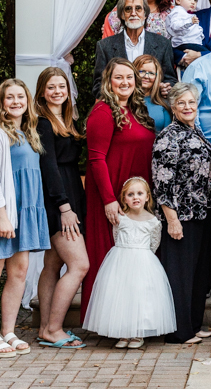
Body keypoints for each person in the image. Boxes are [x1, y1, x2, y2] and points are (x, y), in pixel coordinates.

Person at [0, 79, 50, 358]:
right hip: (3, 213)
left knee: (18, 272)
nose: (16, 102)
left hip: (25, 211)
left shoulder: (29, 132)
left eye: (20, 97)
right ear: (1, 103)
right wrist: (2, 217)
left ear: (27, 101)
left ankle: (9, 331)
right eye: (9, 97)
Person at [81, 58, 156, 320]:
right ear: (108, 82)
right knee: (110, 257)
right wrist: (109, 200)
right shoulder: (103, 111)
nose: (125, 82)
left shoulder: (137, 110)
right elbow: (96, 159)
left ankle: (134, 318)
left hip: (136, 196)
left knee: (134, 260)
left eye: (129, 77)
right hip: (112, 194)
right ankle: (109, 320)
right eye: (118, 77)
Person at [152, 83, 211, 344]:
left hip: (202, 213)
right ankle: (178, 332)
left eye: (191, 102)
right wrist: (172, 220)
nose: (188, 107)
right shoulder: (168, 137)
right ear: (172, 106)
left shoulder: (195, 130)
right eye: (182, 103)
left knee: (200, 273)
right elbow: (162, 182)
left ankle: (192, 325)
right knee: (180, 274)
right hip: (182, 216)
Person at [83, 177, 177, 349]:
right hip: (120, 259)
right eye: (130, 194)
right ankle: (124, 332)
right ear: (124, 198)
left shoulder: (153, 222)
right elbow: (117, 237)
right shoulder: (121, 218)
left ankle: (138, 333)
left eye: (140, 194)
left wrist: (141, 257)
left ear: (147, 197)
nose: (136, 197)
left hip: (143, 262)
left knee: (140, 295)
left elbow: (153, 245)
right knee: (121, 295)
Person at [34, 67, 88, 350]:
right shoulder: (43, 122)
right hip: (58, 199)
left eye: (62, 87)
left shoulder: (66, 119)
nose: (57, 92)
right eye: (51, 87)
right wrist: (64, 207)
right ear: (42, 92)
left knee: (53, 264)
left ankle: (45, 327)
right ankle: (54, 328)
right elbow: (48, 166)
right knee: (79, 265)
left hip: (70, 193)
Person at [91, 0, 178, 97]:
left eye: (138, 8)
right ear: (122, 15)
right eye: (128, 9)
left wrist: (166, 88)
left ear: (145, 14)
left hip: (151, 107)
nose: (133, 13)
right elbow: (98, 86)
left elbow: (171, 79)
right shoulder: (104, 46)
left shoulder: (163, 44)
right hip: (118, 109)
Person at [166, 0, 208, 65]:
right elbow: (175, 26)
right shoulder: (178, 11)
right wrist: (190, 22)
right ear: (178, 0)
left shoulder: (187, 13)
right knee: (209, 55)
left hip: (191, 43)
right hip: (185, 43)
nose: (193, 2)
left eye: (196, 0)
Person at [134, 55, 172, 133]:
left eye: (151, 73)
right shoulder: (124, 101)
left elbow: (168, 136)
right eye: (141, 71)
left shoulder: (163, 103)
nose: (146, 76)